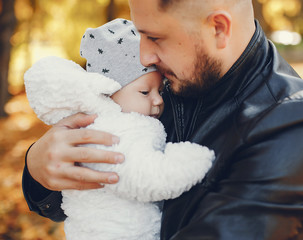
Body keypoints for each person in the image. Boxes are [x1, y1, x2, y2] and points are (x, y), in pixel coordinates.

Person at [23, 0, 303, 239]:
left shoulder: (293, 131)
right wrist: (37, 168)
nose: (144, 57)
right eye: (138, 35)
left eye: (155, 38)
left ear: (218, 28)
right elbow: (88, 200)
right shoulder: (163, 83)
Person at [24, 19, 214, 240]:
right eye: (145, 92)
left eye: (160, 91)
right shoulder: (110, 129)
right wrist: (34, 167)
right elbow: (143, 175)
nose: (158, 100)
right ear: (108, 93)